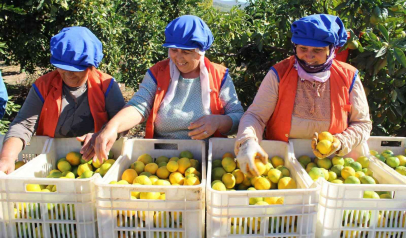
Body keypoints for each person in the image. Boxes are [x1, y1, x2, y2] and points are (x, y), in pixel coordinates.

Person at [81, 15, 244, 162]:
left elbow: (237, 116)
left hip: (206, 160)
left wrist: (218, 122)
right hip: (161, 159)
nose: (178, 57)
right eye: (173, 50)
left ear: (201, 51)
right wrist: (112, 127)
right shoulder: (158, 73)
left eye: (186, 52)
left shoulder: (219, 75)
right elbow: (139, 105)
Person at [235, 14, 372, 176]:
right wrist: (247, 141)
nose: (309, 56)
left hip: (330, 167)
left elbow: (362, 124)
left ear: (331, 50)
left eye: (318, 50)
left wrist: (341, 142)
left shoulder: (348, 77)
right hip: (281, 166)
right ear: (295, 47)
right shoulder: (279, 74)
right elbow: (256, 116)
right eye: (303, 49)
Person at [0, 27, 125, 173]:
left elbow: (122, 123)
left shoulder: (105, 85)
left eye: (76, 69)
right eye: (62, 67)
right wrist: (7, 158)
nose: (68, 74)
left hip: (96, 161)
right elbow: (23, 125)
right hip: (53, 161)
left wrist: (103, 133)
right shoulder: (44, 86)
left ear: (91, 66)